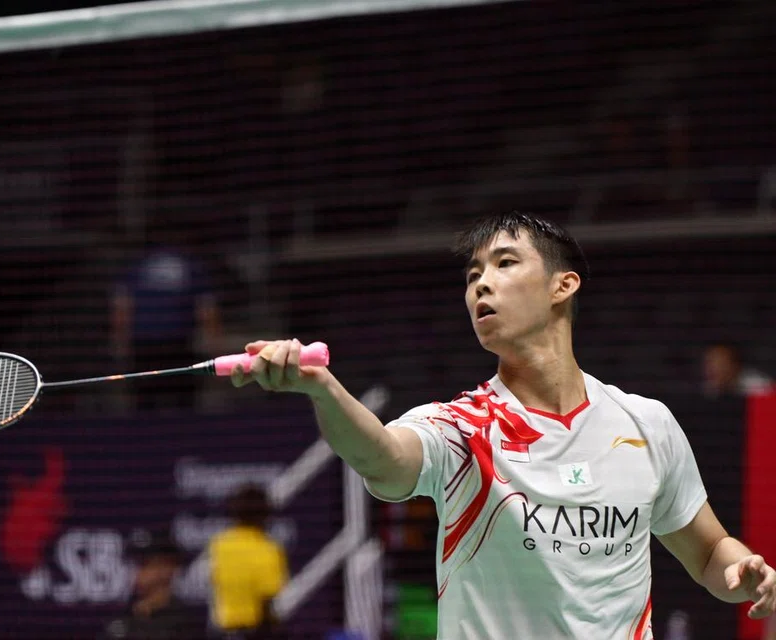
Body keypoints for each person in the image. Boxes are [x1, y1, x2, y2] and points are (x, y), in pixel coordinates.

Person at [228, 211, 776, 639]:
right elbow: (383, 458)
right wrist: (321, 388)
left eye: (505, 264)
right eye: (473, 276)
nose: (480, 286)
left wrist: (743, 570)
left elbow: (706, 552)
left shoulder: (646, 423)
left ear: (563, 286)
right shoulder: (461, 428)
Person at [110, 217, 223, 410]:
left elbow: (122, 309)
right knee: (183, 407)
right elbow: (207, 311)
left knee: (145, 407)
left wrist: (120, 344)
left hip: (148, 348)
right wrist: (215, 347)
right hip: (178, 347)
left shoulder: (137, 265)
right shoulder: (191, 265)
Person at [207, 483, 289, 640]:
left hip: (221, 631)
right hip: (255, 631)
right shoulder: (268, 549)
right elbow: (267, 599)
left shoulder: (219, 546)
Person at [103, 535, 207, 640]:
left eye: (145, 564)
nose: (136, 570)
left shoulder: (186, 625)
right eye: (133, 562)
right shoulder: (120, 621)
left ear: (168, 569)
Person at [701, 343, 774, 399]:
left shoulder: (760, 387)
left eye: (720, 363)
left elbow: (768, 417)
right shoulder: (708, 390)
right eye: (710, 362)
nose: (712, 369)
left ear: (735, 364)